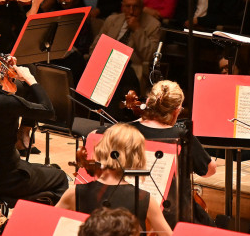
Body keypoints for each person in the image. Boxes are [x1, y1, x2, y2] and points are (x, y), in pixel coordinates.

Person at [0, 38, 67, 202]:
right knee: (60, 176)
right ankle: (28, 203)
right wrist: (30, 79)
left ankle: (21, 199)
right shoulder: (6, 102)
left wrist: (6, 73)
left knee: (49, 170)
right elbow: (48, 110)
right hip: (12, 177)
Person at [56, 124, 171, 234]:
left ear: (100, 149)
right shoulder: (146, 200)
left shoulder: (74, 193)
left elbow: (49, 224)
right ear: (137, 157)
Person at [130, 80, 215, 225]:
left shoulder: (124, 131)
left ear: (149, 101)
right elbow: (209, 170)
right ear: (176, 111)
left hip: (132, 210)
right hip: (173, 217)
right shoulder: (182, 136)